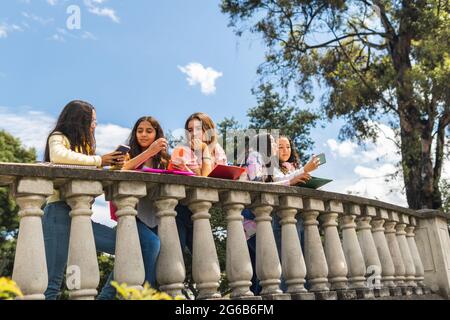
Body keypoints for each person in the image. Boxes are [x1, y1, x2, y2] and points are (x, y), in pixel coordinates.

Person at [42, 100, 125, 300]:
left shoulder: (85, 147)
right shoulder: (58, 137)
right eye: (92, 120)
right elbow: (59, 157)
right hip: (57, 214)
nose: (95, 125)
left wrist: (112, 165)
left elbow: (88, 168)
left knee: (126, 248)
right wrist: (99, 160)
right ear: (79, 120)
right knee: (52, 282)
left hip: (81, 216)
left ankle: (105, 297)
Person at [238, 133, 318, 294]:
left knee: (262, 272)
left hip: (263, 222)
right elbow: (258, 183)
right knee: (267, 269)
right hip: (253, 225)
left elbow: (279, 179)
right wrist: (292, 180)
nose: (277, 146)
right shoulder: (255, 156)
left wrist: (300, 174)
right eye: (274, 143)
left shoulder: (269, 163)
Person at [113, 116, 169, 287]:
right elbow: (120, 169)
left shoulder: (164, 160)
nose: (143, 135)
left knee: (127, 268)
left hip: (156, 214)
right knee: (152, 244)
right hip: (132, 214)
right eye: (140, 130)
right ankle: (147, 294)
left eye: (149, 131)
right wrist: (149, 152)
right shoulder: (126, 153)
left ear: (157, 134)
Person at [170, 112, 227, 255]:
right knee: (176, 254)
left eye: (198, 129)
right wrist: (205, 150)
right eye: (189, 130)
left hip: (202, 208)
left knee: (204, 255)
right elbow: (205, 180)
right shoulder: (182, 150)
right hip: (179, 209)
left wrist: (206, 150)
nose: (193, 133)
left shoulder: (218, 150)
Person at [272, 135, 320, 291]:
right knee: (286, 257)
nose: (285, 150)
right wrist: (302, 171)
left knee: (302, 256)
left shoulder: (293, 166)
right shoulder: (270, 166)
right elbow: (277, 182)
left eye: (288, 147)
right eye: (280, 147)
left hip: (299, 215)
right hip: (281, 216)